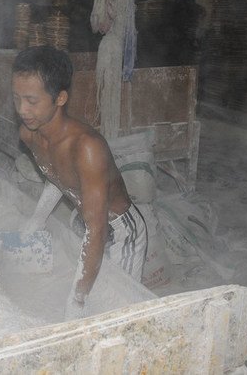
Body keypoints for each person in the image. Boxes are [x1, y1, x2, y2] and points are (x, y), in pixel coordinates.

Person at [12, 46, 148, 319]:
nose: (22, 110)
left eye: (31, 101)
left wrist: (77, 299)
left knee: (120, 311)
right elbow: (57, 176)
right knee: (82, 288)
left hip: (120, 231)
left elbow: (96, 231)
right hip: (85, 220)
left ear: (60, 98)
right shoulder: (29, 134)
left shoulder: (87, 148)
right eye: (16, 99)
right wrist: (36, 220)